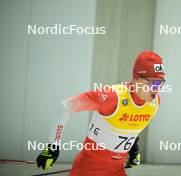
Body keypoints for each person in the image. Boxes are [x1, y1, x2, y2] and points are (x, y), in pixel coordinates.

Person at [36, 51, 166, 176]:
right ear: (138, 79)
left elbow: (127, 126)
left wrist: (133, 147)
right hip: (88, 169)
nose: (157, 89)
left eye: (161, 83)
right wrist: (53, 145)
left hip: (116, 170)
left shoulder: (153, 103)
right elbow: (66, 106)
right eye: (154, 83)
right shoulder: (112, 96)